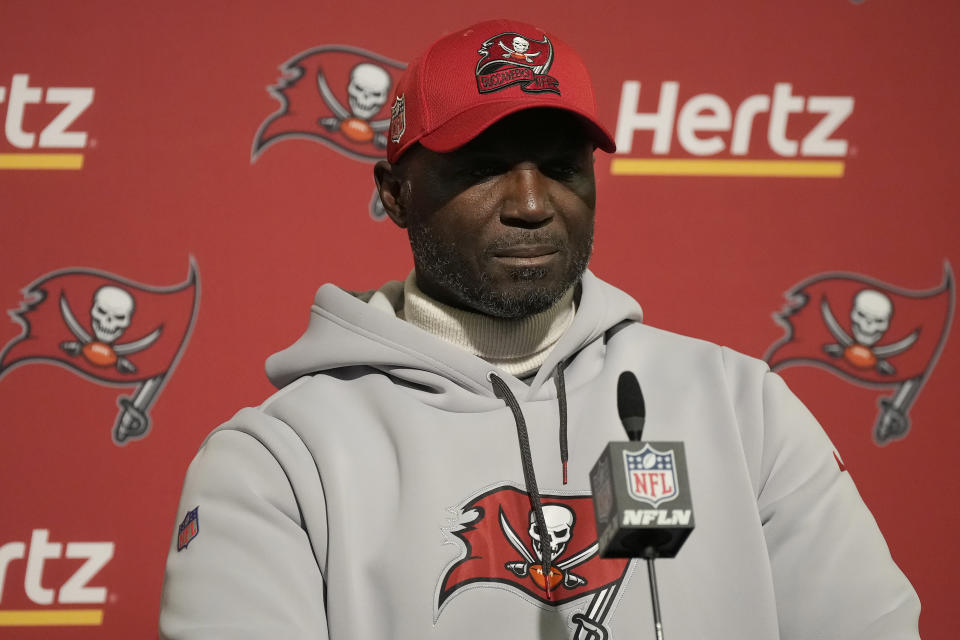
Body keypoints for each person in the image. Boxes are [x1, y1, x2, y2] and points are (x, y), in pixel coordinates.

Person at [159, 18, 920, 639]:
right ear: (395, 194)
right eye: (484, 166)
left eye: (562, 166)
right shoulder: (278, 460)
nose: (531, 203)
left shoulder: (739, 405)